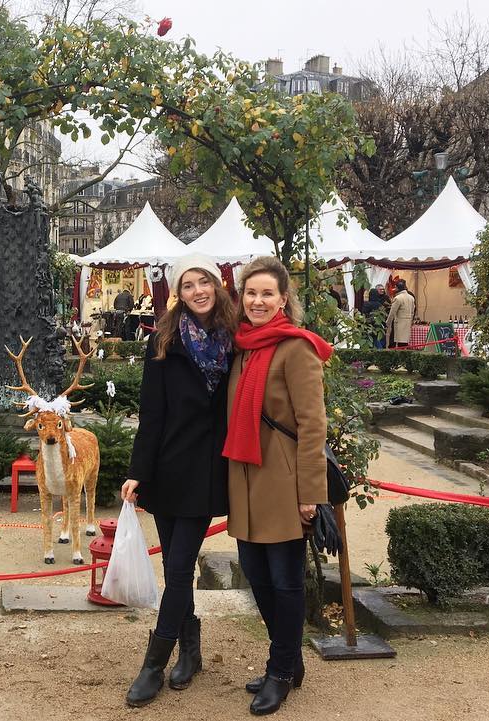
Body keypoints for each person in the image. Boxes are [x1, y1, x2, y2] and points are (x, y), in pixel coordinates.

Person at [120, 253, 237, 707]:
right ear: (177, 293)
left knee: (180, 568)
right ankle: (191, 648)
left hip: (208, 471)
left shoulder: (235, 339)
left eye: (203, 281)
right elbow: (152, 412)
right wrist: (137, 472)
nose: (197, 291)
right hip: (167, 468)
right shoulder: (164, 340)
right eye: (187, 285)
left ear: (217, 284)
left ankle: (154, 662)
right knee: (175, 566)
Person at [223, 256, 332, 717]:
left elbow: (313, 425)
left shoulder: (295, 348)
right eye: (251, 292)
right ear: (241, 297)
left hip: (284, 481)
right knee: (258, 575)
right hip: (246, 478)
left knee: (286, 581)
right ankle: (288, 658)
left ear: (283, 299)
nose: (258, 300)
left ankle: (280, 671)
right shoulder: (243, 345)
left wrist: (311, 492)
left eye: (267, 293)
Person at [386, 279, 415, 348]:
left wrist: (388, 322)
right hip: (407, 322)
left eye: (395, 287)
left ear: (397, 288)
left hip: (398, 323)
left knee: (393, 343)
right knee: (404, 343)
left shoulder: (398, 298)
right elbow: (412, 312)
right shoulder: (411, 298)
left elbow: (392, 312)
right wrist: (411, 321)